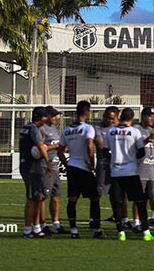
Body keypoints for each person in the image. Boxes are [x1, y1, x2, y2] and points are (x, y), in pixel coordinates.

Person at [105, 107, 154, 242]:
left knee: (119, 202)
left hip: (116, 172)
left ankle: (121, 232)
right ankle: (146, 231)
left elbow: (104, 152)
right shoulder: (134, 131)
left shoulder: (110, 131)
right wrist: (132, 158)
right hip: (131, 172)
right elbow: (142, 151)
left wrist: (114, 159)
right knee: (139, 201)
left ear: (120, 117)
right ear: (132, 119)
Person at [58, 100, 105, 239]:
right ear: (87, 112)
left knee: (72, 199)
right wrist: (92, 164)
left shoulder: (67, 130)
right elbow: (90, 146)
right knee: (94, 198)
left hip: (72, 167)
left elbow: (60, 151)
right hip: (84, 168)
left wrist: (67, 164)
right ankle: (97, 230)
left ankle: (73, 231)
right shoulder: (88, 128)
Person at [19, 106, 51, 239]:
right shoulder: (34, 129)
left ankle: (36, 228)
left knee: (37, 197)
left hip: (25, 165)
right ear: (41, 117)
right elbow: (40, 147)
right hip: (32, 167)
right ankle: (27, 230)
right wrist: (48, 162)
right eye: (46, 116)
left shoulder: (25, 128)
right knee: (32, 198)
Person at [134, 107, 154, 229]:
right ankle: (136, 222)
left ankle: (153, 220)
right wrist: (148, 139)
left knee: (151, 196)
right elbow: (133, 148)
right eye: (150, 116)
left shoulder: (153, 131)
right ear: (143, 116)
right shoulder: (135, 130)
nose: (152, 118)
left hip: (150, 170)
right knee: (139, 198)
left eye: (153, 116)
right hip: (139, 169)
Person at [94, 106, 122, 227]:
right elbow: (101, 146)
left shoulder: (119, 129)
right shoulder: (97, 128)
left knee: (117, 193)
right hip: (103, 165)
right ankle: (93, 218)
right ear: (103, 116)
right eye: (108, 118)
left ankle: (118, 216)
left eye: (112, 118)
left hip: (117, 166)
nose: (109, 120)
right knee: (98, 193)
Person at [40, 106, 67, 235]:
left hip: (55, 167)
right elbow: (39, 148)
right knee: (43, 196)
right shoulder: (41, 129)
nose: (57, 118)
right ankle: (42, 224)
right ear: (47, 116)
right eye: (54, 115)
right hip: (46, 167)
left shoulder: (54, 129)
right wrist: (56, 146)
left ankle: (56, 224)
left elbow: (57, 145)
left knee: (56, 196)